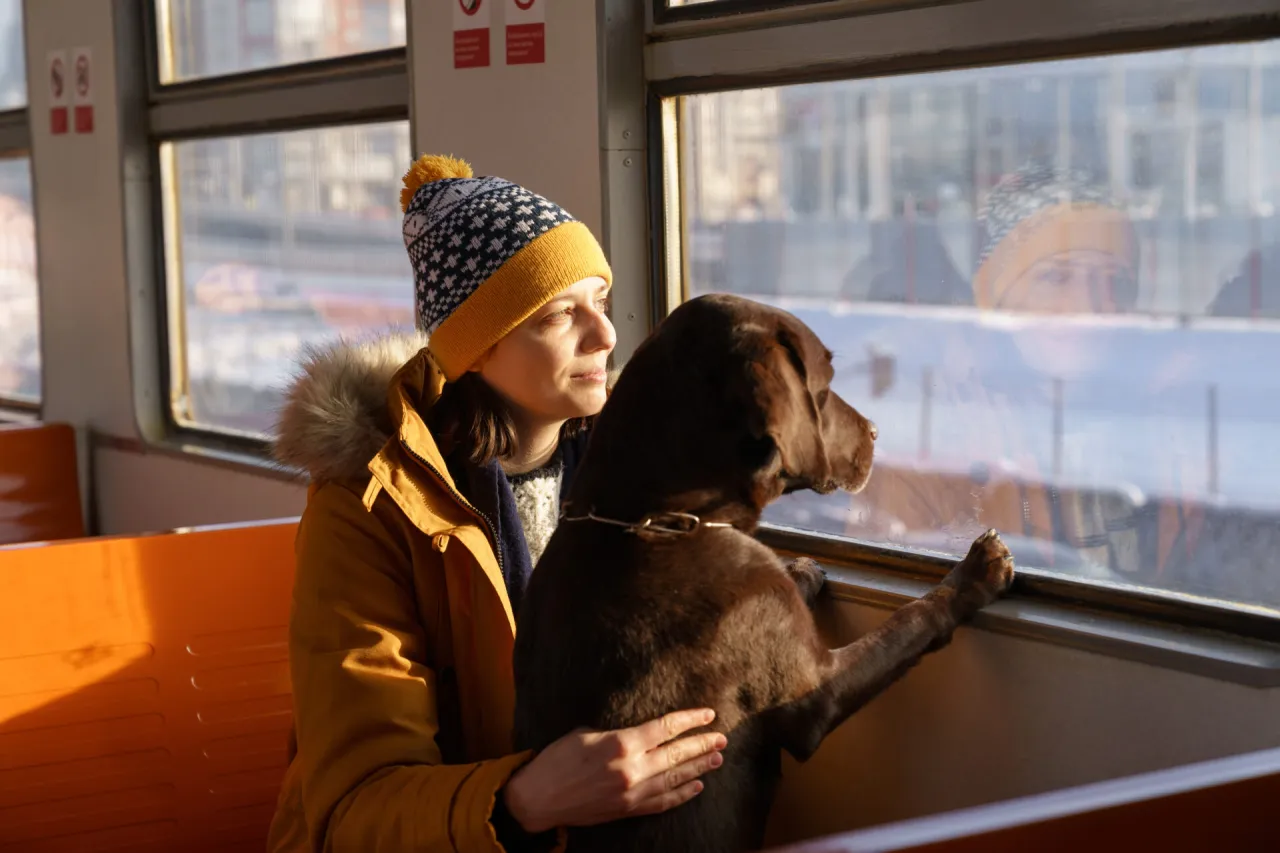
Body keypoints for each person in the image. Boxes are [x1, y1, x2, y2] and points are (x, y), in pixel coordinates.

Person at [265, 154, 727, 852]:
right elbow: (352, 809)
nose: (604, 335)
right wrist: (521, 799)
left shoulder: (631, 476)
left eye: (600, 301)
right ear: (475, 349)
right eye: (560, 314)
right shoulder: (367, 509)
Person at [855, 164, 1203, 583]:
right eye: (1056, 277)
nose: (1091, 306)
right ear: (997, 293)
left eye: (1114, 280)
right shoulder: (931, 434)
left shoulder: (1174, 423)